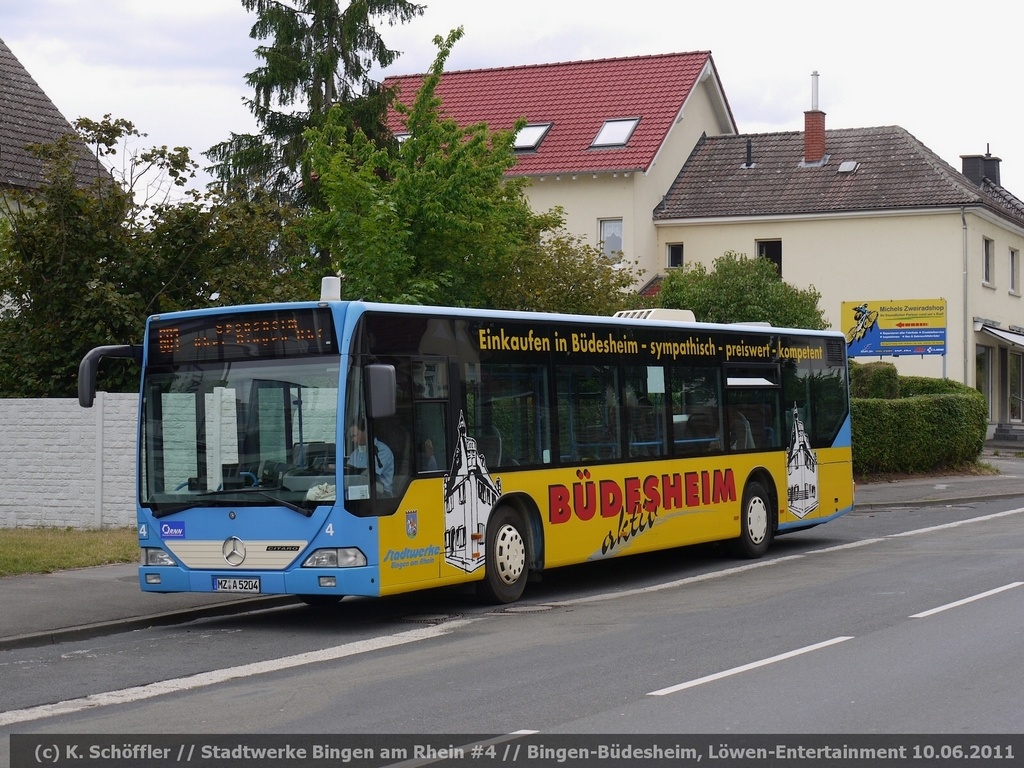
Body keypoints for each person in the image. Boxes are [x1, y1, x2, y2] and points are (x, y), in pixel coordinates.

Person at [347, 418, 394, 495]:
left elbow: (367, 476)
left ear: (366, 432)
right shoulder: (355, 453)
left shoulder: (382, 451)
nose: (353, 440)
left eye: (355, 435)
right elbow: (349, 471)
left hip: (381, 494)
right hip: (360, 490)